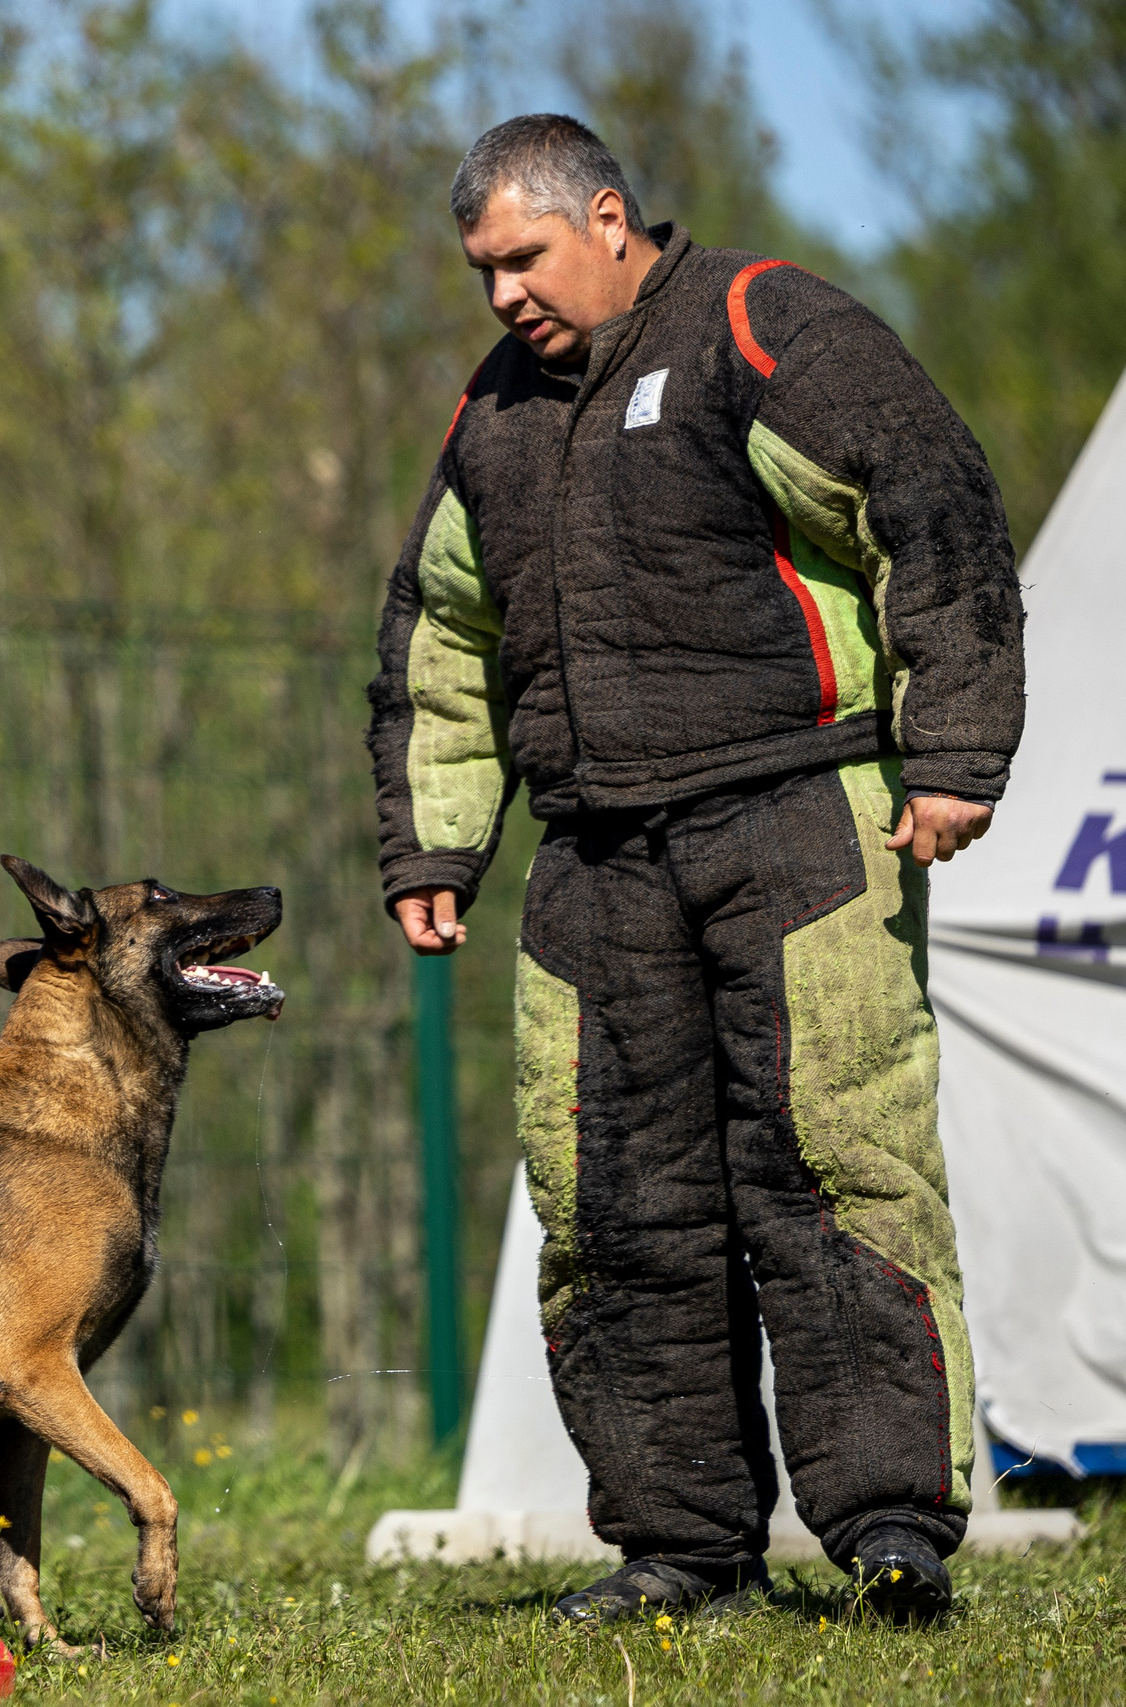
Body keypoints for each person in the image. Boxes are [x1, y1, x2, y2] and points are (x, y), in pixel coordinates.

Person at [366, 117, 1024, 1624]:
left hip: (792, 818)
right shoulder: (495, 414)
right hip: (592, 854)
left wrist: (953, 754)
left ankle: (889, 1526)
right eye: (480, 272)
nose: (501, 299)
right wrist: (435, 837)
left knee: (837, 1168)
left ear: (607, 217)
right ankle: (678, 1544)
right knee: (612, 1204)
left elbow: (929, 506)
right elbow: (438, 638)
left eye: (521, 260)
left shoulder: (759, 323)